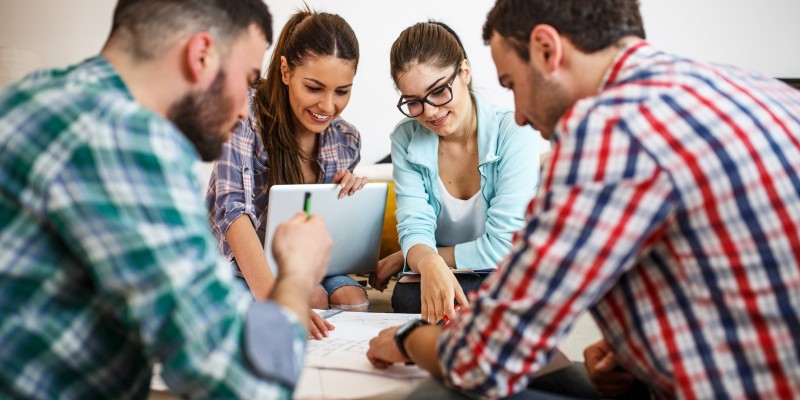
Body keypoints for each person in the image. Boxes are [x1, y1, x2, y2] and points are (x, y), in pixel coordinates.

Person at [367, 0, 800, 398]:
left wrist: (406, 341)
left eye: (512, 83)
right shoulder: (755, 90)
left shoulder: (607, 130)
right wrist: (631, 348)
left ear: (546, 49)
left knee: (433, 392)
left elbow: (483, 360)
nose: (517, 113)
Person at [0, 1, 334, 398]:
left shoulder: (30, 97)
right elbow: (245, 385)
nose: (246, 110)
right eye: (247, 80)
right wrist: (295, 274)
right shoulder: (126, 137)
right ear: (201, 55)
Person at [206, 9, 369, 340]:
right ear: (285, 70)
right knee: (313, 298)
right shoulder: (244, 113)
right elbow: (232, 211)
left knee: (353, 299)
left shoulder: (346, 139)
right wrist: (278, 304)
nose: (328, 106)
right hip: (245, 267)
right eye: (314, 87)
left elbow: (326, 227)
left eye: (342, 91)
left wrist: (349, 196)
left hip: (307, 263)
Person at [368, 21, 540, 323]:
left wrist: (424, 259)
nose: (431, 111)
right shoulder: (406, 137)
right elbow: (414, 227)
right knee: (408, 297)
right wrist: (425, 260)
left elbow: (502, 247)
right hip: (445, 273)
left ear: (464, 72)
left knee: (504, 293)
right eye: (414, 102)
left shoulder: (514, 130)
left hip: (504, 269)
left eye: (438, 91)